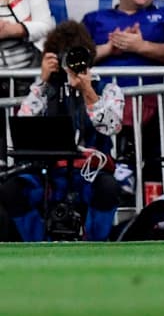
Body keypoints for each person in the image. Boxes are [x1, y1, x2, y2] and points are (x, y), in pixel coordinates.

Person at [6, 18, 123, 241]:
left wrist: (88, 91)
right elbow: (24, 122)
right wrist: (43, 82)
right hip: (50, 170)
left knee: (108, 187)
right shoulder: (47, 89)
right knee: (11, 190)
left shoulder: (108, 89)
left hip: (89, 172)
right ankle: (38, 243)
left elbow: (111, 127)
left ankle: (94, 245)